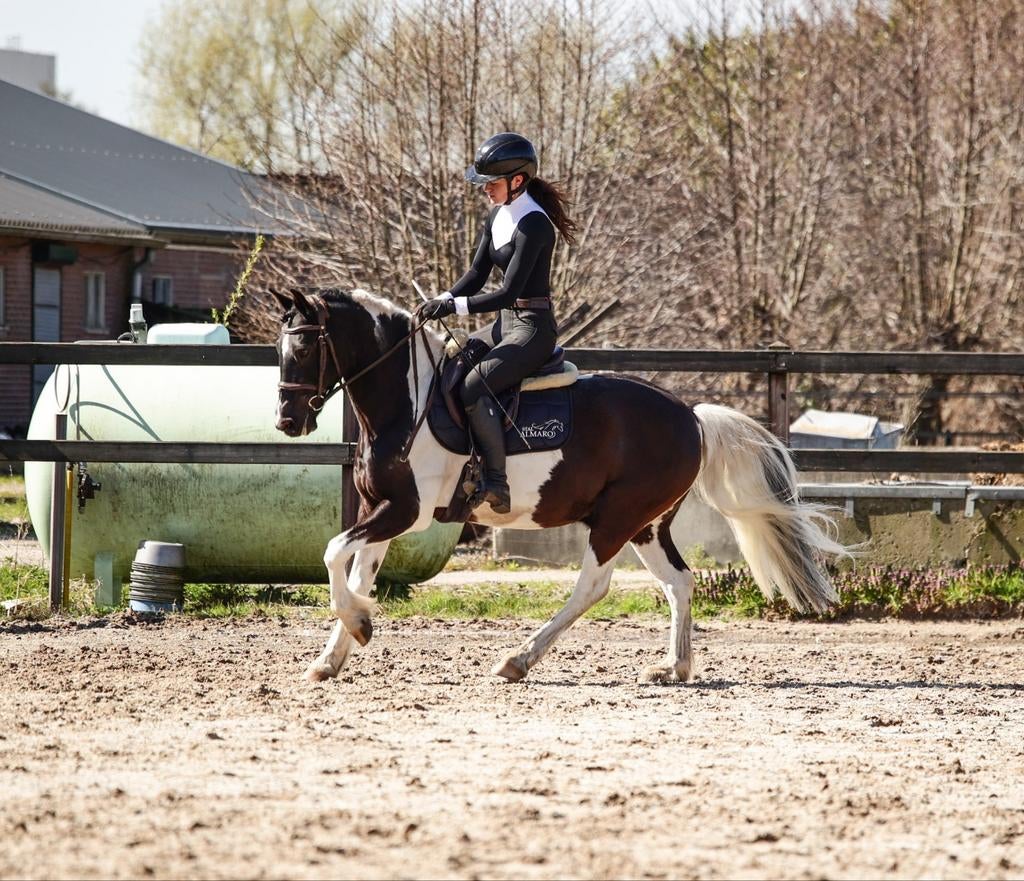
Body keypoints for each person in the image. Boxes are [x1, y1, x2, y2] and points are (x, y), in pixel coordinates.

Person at [419, 132, 577, 514]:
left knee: (474, 386)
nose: (486, 190)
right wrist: (443, 298)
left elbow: (508, 293)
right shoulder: (497, 215)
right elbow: (476, 272)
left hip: (532, 329)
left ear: (517, 181)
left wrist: (455, 308)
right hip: (504, 325)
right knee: (452, 360)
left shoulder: (534, 225)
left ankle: (497, 482)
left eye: (492, 183)